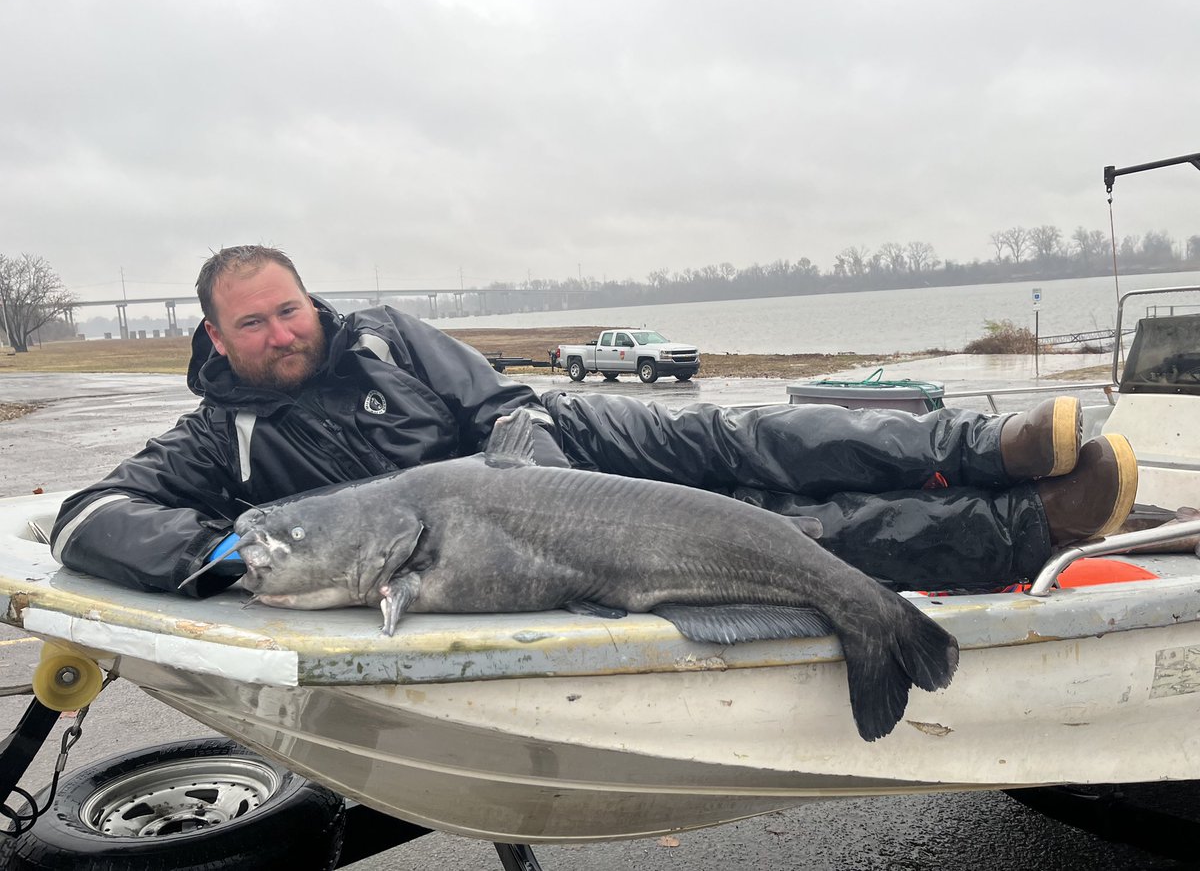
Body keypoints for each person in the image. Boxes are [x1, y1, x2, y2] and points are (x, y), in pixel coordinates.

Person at [51, 245, 1138, 599]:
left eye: (290, 308)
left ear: (309, 298)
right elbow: (89, 516)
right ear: (216, 335)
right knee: (768, 530)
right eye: (254, 323)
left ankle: (988, 446)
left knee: (738, 439)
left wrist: (523, 462)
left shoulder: (380, 334)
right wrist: (227, 554)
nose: (283, 332)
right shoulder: (217, 438)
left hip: (546, 447)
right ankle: (1028, 524)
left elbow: (500, 400)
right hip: (504, 540)